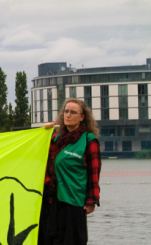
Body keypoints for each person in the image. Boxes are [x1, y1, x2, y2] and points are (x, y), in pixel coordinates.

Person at [39, 98, 101, 245]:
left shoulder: (88, 140)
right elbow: (39, 157)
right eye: (66, 111)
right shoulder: (55, 137)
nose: (68, 115)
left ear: (82, 117)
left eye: (73, 112)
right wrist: (43, 133)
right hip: (52, 201)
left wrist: (91, 200)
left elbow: (94, 173)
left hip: (74, 202)